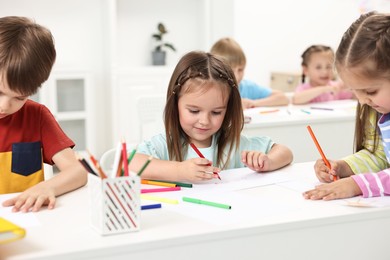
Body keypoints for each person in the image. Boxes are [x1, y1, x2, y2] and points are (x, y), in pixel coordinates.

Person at [129, 51, 293, 182]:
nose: (204, 121)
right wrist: (179, 171)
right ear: (175, 104)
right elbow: (130, 162)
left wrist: (267, 161)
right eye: (194, 111)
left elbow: (285, 152)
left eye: (216, 112)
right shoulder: (166, 144)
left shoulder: (234, 145)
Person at [0, 16, 87, 212]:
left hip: (25, 220)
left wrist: (47, 187)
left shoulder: (36, 116)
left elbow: (78, 171)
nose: (4, 106)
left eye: (19, 98)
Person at [303, 11, 390, 200]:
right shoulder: (376, 108)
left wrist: (358, 184)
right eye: (354, 91)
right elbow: (379, 156)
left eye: (370, 91)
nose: (362, 101)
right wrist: (343, 167)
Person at [210, 37, 289, 109]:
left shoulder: (248, 87)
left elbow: (283, 98)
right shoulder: (208, 90)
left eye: (240, 70)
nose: (237, 76)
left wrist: (253, 103)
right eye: (230, 70)